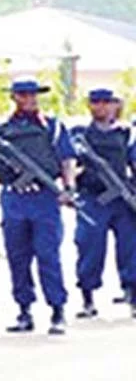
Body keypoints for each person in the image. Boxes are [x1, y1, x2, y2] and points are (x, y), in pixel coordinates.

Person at [0, 76, 79, 335]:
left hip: (44, 197)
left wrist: (68, 187)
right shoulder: (1, 130)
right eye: (23, 95)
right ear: (14, 97)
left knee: (48, 255)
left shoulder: (52, 126)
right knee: (18, 256)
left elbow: (67, 158)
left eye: (32, 94)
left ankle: (57, 310)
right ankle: (24, 310)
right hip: (14, 197)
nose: (29, 99)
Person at [70, 87, 136, 318]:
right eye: (96, 102)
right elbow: (68, 163)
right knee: (89, 247)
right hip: (92, 198)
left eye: (107, 102)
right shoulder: (80, 134)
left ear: (116, 105)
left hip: (122, 200)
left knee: (130, 249)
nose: (101, 106)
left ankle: (133, 295)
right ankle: (88, 299)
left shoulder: (126, 134)